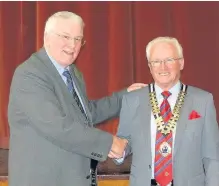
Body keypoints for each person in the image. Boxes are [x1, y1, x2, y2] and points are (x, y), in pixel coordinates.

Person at [7, 11, 145, 186]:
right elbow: (57, 126)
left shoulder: (73, 73)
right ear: (46, 37)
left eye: (78, 39)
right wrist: (109, 143)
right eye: (65, 36)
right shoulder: (30, 74)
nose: (72, 45)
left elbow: (86, 113)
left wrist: (124, 97)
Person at [112, 36, 219, 186]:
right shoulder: (132, 100)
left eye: (169, 60)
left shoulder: (203, 101)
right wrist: (119, 151)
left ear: (181, 63)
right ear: (150, 66)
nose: (163, 67)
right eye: (156, 62)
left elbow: (212, 157)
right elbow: (125, 140)